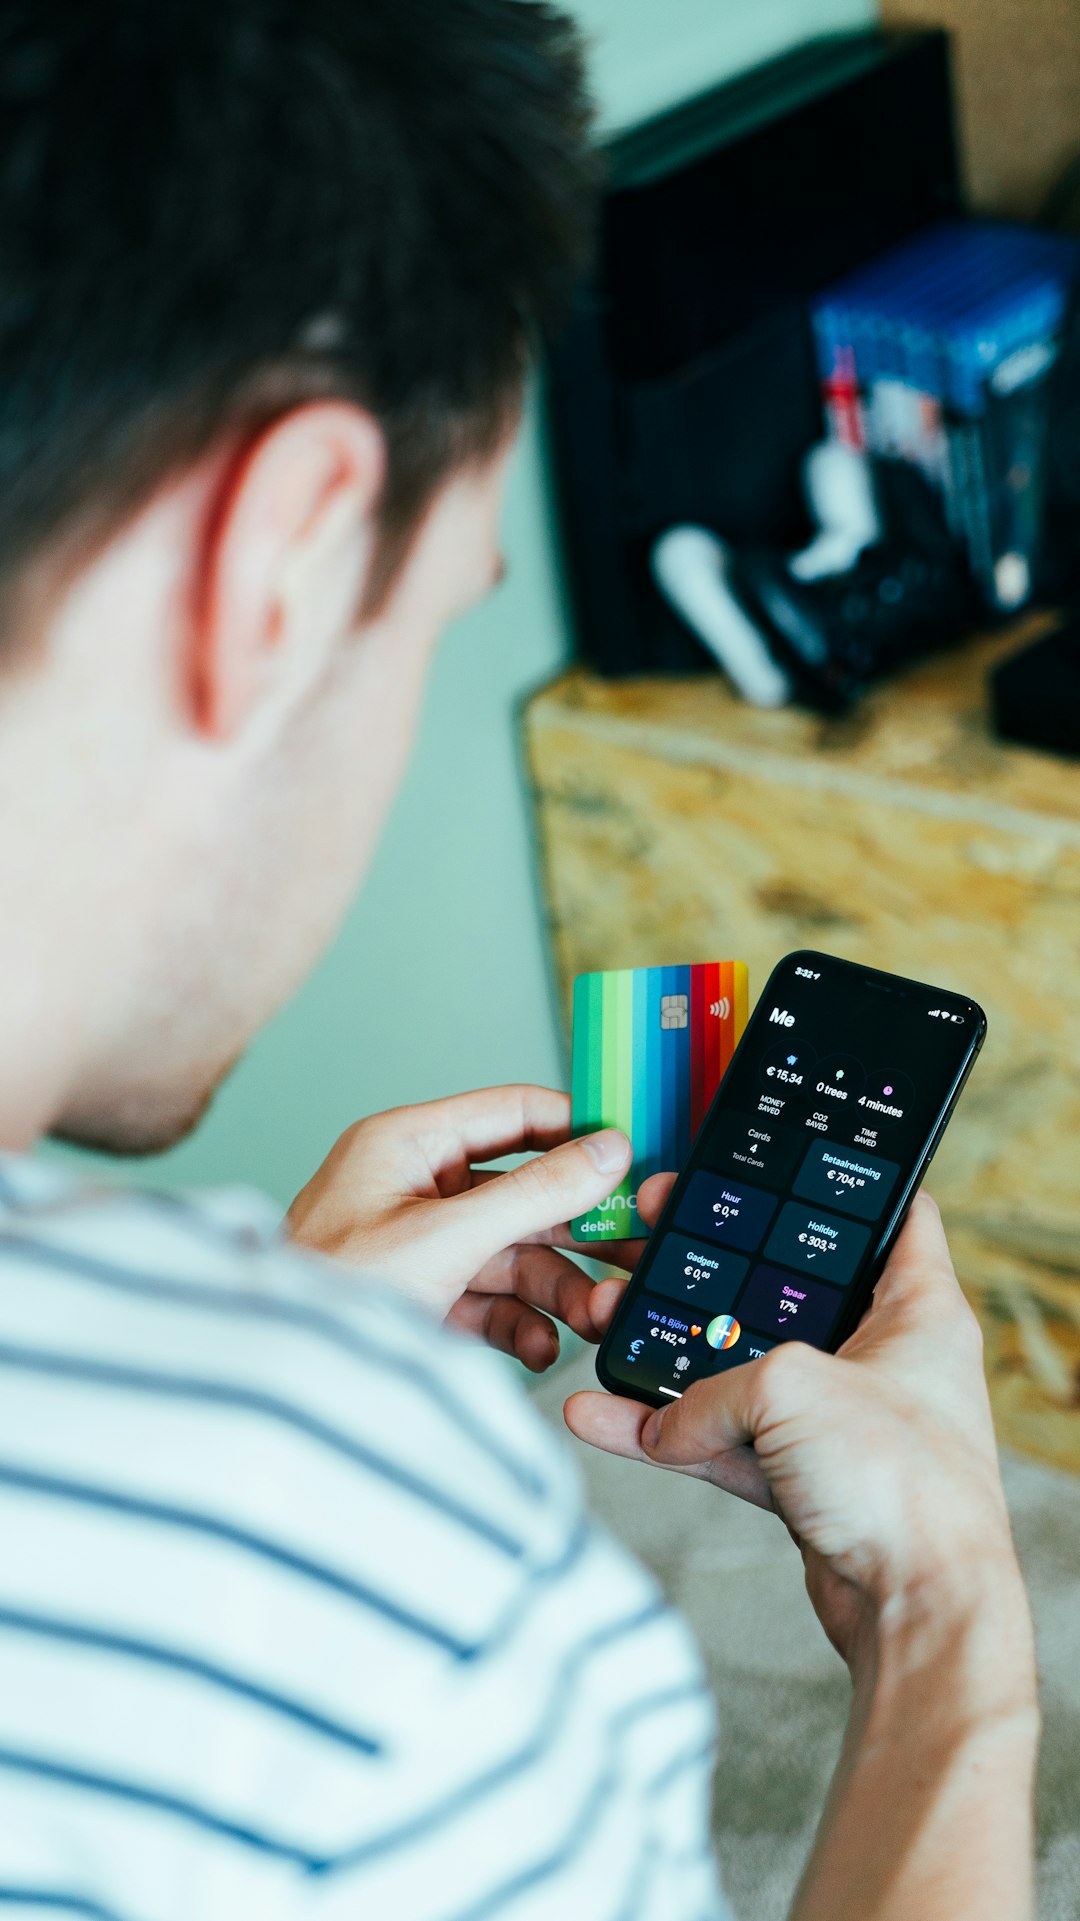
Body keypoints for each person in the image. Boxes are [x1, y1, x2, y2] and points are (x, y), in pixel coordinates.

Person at [0, 2, 1038, 1917]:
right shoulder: (400, 1615)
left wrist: (261, 1354)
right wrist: (951, 1604)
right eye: (437, 612)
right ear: (286, 554)